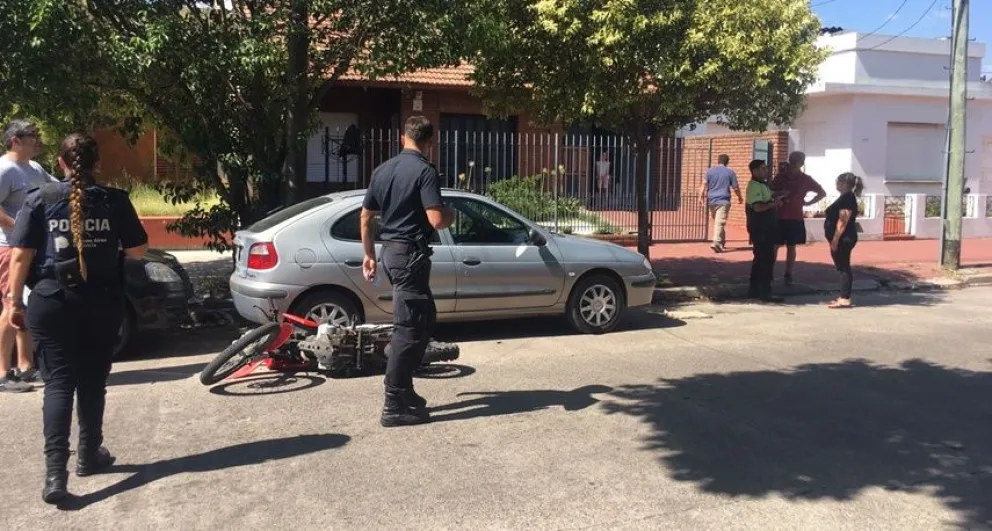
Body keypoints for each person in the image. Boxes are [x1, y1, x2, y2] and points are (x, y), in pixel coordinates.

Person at [6, 133, 149, 503]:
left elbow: (20, 256)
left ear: (61, 163)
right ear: (96, 164)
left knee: (58, 385)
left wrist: (12, 303)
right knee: (91, 381)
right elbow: (136, 251)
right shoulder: (114, 200)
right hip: (100, 302)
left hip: (50, 301)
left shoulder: (40, 199)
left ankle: (56, 475)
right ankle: (89, 453)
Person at [360, 116, 455, 428]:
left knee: (425, 318)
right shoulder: (425, 171)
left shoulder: (383, 170)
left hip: (391, 252)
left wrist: (369, 254)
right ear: (429, 142)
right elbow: (437, 221)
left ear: (403, 138)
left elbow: (366, 217)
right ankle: (394, 401)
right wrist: (451, 213)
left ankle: (407, 390)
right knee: (409, 327)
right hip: (410, 255)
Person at [0, 119, 59, 393]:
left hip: (32, 248)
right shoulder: (5, 169)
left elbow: (57, 189)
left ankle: (25, 367)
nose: (36, 140)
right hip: (9, 248)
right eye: (31, 136)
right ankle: (2, 373)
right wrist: (19, 227)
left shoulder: (33, 168)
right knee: (10, 308)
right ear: (15, 141)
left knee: (25, 307)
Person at [771, 151, 826, 285]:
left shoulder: (806, 179)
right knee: (775, 245)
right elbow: (770, 192)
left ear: (802, 163)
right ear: (789, 160)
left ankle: (788, 274)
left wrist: (808, 203)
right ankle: (769, 272)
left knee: (791, 246)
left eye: (798, 161)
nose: (795, 163)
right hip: (779, 215)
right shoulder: (780, 177)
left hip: (795, 216)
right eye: (793, 160)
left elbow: (822, 193)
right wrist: (780, 194)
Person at [745, 159, 784, 303]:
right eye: (763, 168)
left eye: (766, 168)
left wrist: (778, 196)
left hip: (766, 227)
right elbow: (757, 207)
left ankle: (754, 290)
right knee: (766, 259)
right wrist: (774, 204)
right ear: (754, 171)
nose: (766, 170)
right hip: (760, 228)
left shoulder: (763, 185)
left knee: (760, 258)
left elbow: (768, 197)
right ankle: (765, 292)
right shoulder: (754, 186)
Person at [824, 172, 863, 309]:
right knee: (842, 266)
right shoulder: (846, 197)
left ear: (844, 183)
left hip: (844, 238)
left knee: (843, 267)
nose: (836, 185)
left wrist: (835, 240)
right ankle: (843, 296)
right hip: (843, 237)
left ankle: (845, 298)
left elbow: (843, 220)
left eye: (838, 182)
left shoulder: (847, 198)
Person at [699, 154, 742, 253]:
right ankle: (717, 242)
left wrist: (700, 197)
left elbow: (704, 184)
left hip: (711, 200)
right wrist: (740, 197)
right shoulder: (730, 172)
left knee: (719, 222)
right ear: (727, 162)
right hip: (724, 200)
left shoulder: (710, 171)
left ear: (718, 161)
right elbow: (735, 187)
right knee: (719, 222)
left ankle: (720, 243)